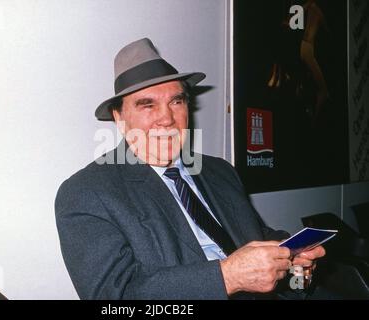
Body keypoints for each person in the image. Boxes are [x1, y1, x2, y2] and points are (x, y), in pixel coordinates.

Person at [55, 38, 325, 299]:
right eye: (148, 105)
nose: (167, 118)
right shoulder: (86, 193)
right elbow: (116, 296)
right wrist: (227, 277)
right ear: (120, 118)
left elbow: (257, 236)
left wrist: (292, 258)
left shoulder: (220, 171)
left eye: (176, 101)